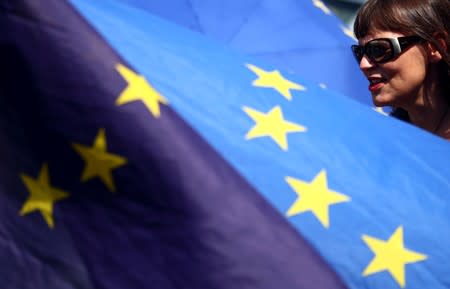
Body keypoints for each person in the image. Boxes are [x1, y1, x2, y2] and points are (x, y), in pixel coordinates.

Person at [351, 0, 450, 140]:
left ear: (435, 47)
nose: (363, 64)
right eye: (359, 52)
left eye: (378, 49)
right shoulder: (381, 142)